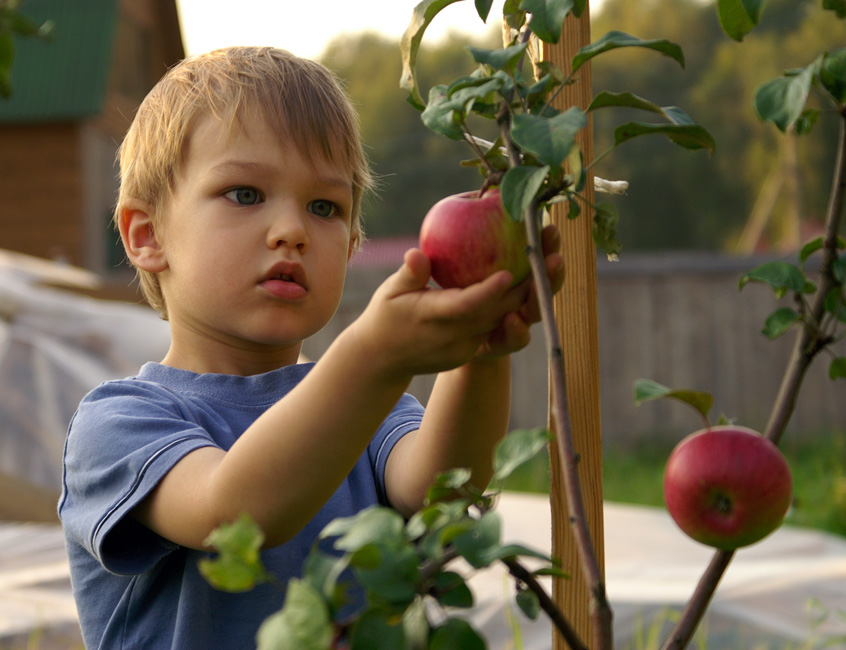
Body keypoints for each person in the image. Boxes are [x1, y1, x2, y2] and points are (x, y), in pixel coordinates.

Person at [59, 46, 564, 649]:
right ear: (148, 236)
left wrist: (480, 350)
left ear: (351, 246)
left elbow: (443, 491)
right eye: (245, 194)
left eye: (324, 207)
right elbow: (234, 516)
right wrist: (374, 356)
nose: (292, 231)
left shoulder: (371, 411)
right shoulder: (118, 425)